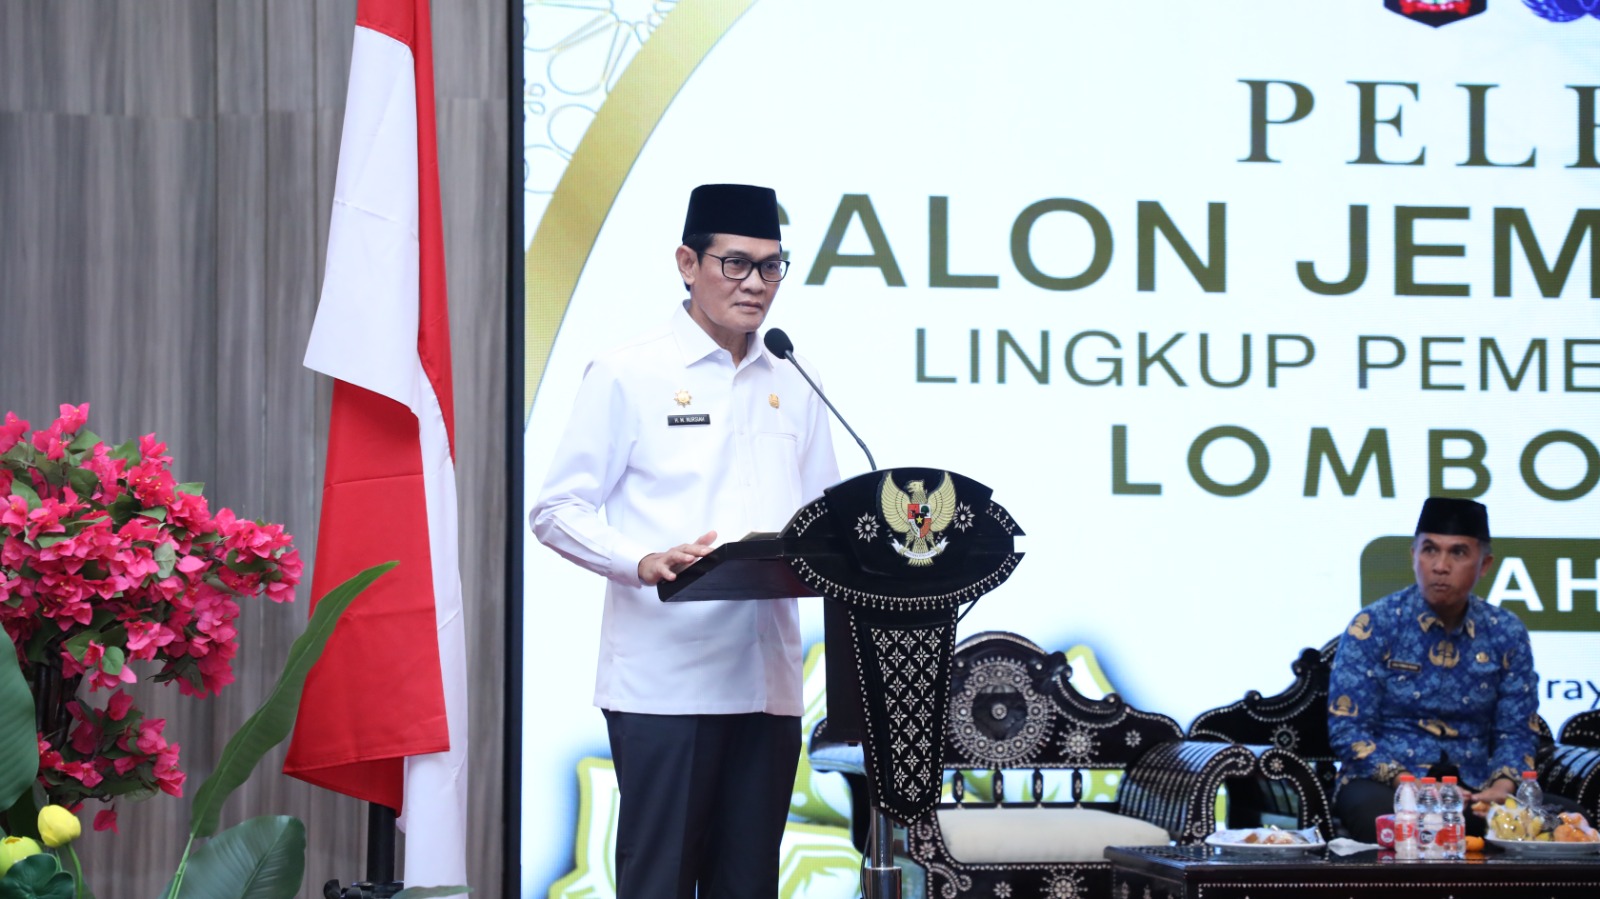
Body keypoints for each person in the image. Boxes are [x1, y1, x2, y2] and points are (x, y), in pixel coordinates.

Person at [529, 183, 840, 899]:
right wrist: (640, 561)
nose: (756, 283)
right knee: (659, 884)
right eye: (736, 264)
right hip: (666, 682)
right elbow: (556, 508)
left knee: (748, 887)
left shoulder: (794, 377)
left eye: (771, 266)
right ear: (687, 264)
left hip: (767, 685)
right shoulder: (628, 372)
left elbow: (823, 521)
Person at [1327, 497, 1563, 842]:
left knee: (1567, 823)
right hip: (1386, 785)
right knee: (1396, 824)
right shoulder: (1375, 624)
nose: (1440, 566)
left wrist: (1501, 788)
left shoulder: (1505, 632)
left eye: (1458, 553)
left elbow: (1516, 732)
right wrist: (1411, 785)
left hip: (1474, 787)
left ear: (1484, 565)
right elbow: (1348, 731)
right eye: (1430, 550)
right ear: (1413, 556)